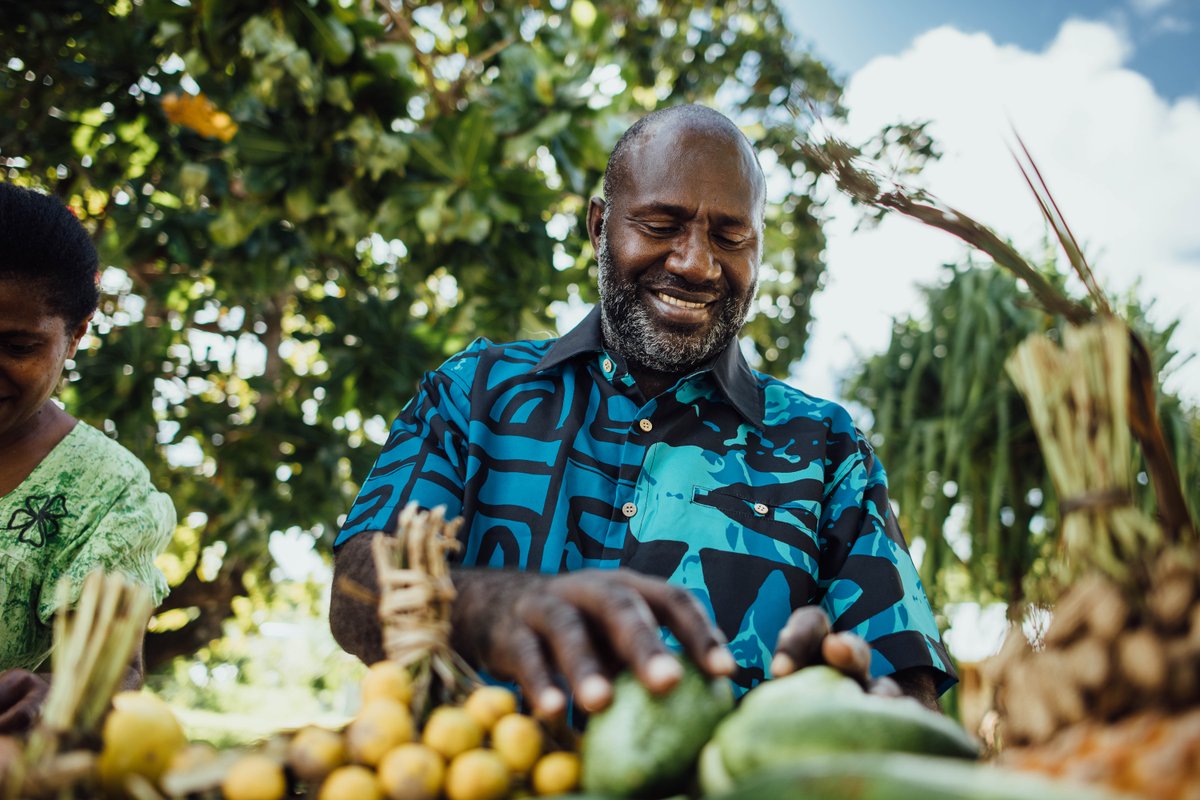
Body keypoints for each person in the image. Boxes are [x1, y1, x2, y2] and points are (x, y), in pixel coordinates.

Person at [330, 105, 955, 718]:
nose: (695, 263)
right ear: (600, 227)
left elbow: (909, 698)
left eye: (731, 237)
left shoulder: (828, 449)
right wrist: (491, 607)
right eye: (660, 226)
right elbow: (356, 592)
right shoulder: (473, 393)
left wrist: (857, 709)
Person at [0, 183, 176, 733]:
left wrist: (58, 699)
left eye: (19, 346)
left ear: (75, 336)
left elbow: (113, 675)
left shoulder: (106, 491)